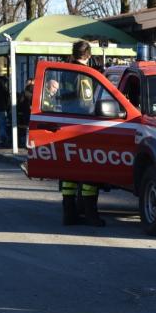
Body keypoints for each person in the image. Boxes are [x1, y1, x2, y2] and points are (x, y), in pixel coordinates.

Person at [60, 40, 104, 227]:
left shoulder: (65, 73)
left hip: (66, 125)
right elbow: (86, 103)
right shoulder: (84, 75)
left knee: (69, 175)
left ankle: (69, 215)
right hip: (84, 127)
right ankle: (90, 215)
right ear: (88, 55)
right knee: (90, 173)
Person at [16, 80, 34, 148]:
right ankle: (28, 143)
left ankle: (23, 142)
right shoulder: (34, 94)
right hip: (32, 113)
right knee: (29, 128)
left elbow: (20, 103)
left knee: (23, 128)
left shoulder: (24, 93)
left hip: (24, 113)